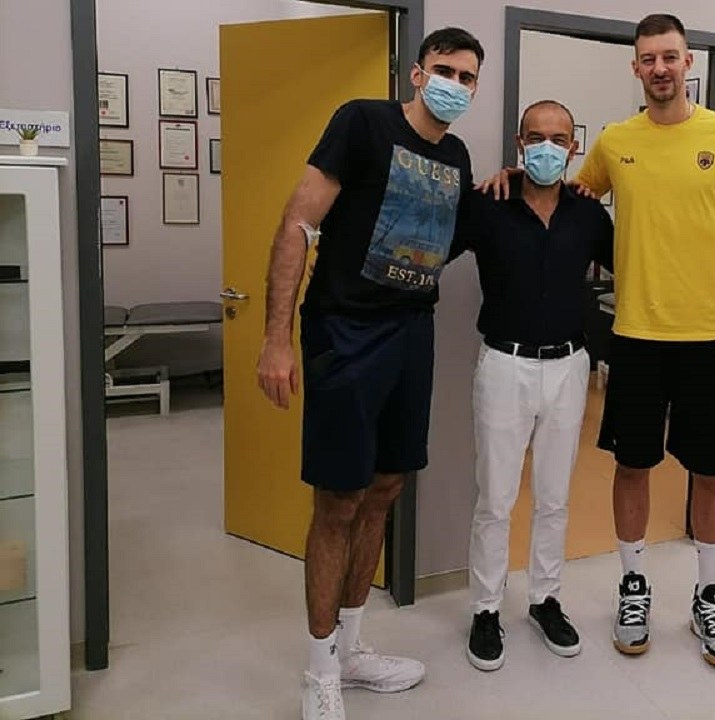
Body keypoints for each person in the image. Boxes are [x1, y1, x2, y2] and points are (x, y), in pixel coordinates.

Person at [480, 13, 715, 669]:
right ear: (636, 67)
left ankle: (710, 595)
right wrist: (511, 174)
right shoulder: (616, 142)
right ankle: (634, 588)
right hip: (636, 335)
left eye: (670, 56)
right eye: (649, 58)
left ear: (688, 62)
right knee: (632, 466)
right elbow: (564, 189)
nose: (660, 68)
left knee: (712, 471)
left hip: (708, 336)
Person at [254, 27, 484, 720]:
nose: (455, 85)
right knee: (339, 501)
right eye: (445, 70)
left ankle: (352, 650)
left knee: (386, 488)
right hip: (345, 333)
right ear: (417, 73)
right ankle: (319, 670)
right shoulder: (362, 122)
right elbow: (297, 224)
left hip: (412, 332)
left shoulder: (456, 156)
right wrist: (276, 339)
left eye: (468, 78)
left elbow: (452, 235)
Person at [456, 100, 615, 672]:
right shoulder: (488, 203)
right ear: (520, 144)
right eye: (536, 137)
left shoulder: (587, 213)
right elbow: (428, 251)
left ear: (574, 147)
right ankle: (485, 608)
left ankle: (545, 599)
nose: (548, 147)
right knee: (495, 498)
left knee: (554, 496)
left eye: (559, 138)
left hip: (569, 367)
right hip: (505, 364)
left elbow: (636, 265)